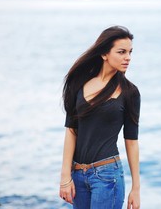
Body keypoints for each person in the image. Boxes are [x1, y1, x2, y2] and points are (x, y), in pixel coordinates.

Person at [59, 25, 141, 209]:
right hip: (78, 175)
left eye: (130, 52)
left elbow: (131, 141)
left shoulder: (130, 93)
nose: (128, 57)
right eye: (121, 52)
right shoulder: (78, 83)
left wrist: (136, 188)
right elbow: (71, 130)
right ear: (104, 54)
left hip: (107, 175)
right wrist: (65, 176)